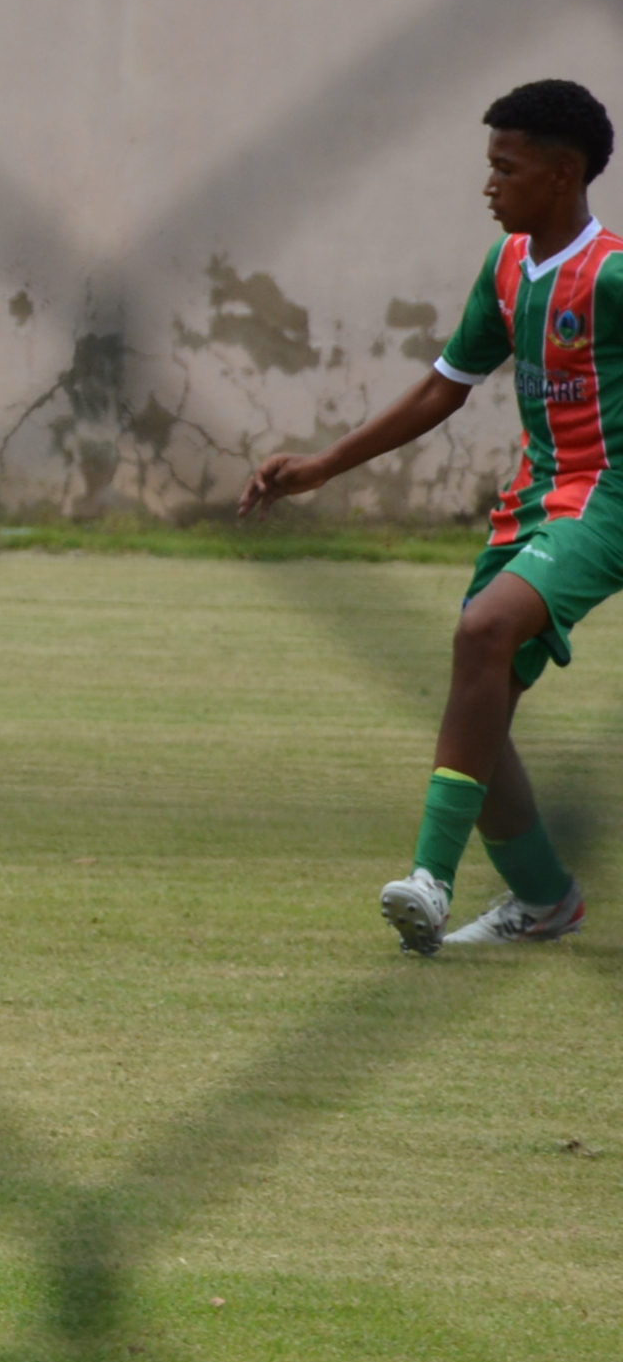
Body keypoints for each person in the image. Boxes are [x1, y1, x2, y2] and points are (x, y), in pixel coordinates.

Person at [241, 77, 619, 952]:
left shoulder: (613, 277)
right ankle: (544, 898)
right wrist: (323, 466)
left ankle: (428, 879)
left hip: (608, 496)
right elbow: (443, 387)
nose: (489, 185)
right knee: (482, 700)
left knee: (481, 633)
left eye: (505, 168)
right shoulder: (507, 267)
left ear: (561, 176)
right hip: (533, 501)